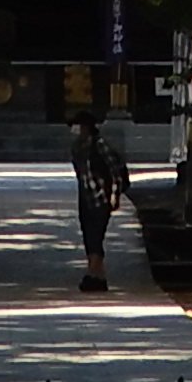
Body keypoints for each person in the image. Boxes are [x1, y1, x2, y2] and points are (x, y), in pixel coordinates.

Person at [70, 111, 123, 284]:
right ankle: (98, 274)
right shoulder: (77, 147)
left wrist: (114, 194)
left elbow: (115, 172)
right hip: (85, 196)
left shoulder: (100, 145)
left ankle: (93, 273)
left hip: (101, 196)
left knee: (96, 235)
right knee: (88, 234)